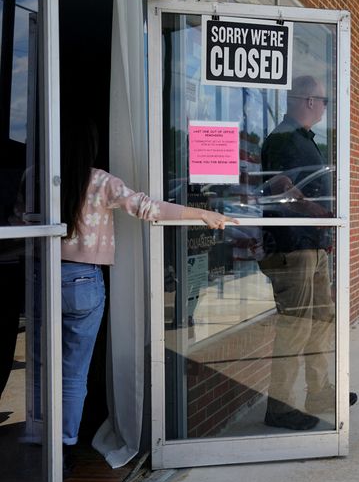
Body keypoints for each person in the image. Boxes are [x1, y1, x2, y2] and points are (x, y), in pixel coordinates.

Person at [48, 117, 235, 461]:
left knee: (40, 365)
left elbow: (21, 226)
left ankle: (37, 439)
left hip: (42, 277)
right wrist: (200, 213)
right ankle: (63, 448)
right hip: (83, 282)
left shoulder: (36, 178)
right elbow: (147, 208)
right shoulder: (100, 181)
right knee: (73, 372)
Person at [259, 75, 356, 431]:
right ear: (309, 101)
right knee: (295, 326)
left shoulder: (304, 139)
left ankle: (319, 391)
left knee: (321, 320)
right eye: (323, 101)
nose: (325, 107)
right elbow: (281, 188)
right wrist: (320, 213)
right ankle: (280, 408)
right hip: (292, 247)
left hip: (314, 246)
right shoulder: (283, 138)